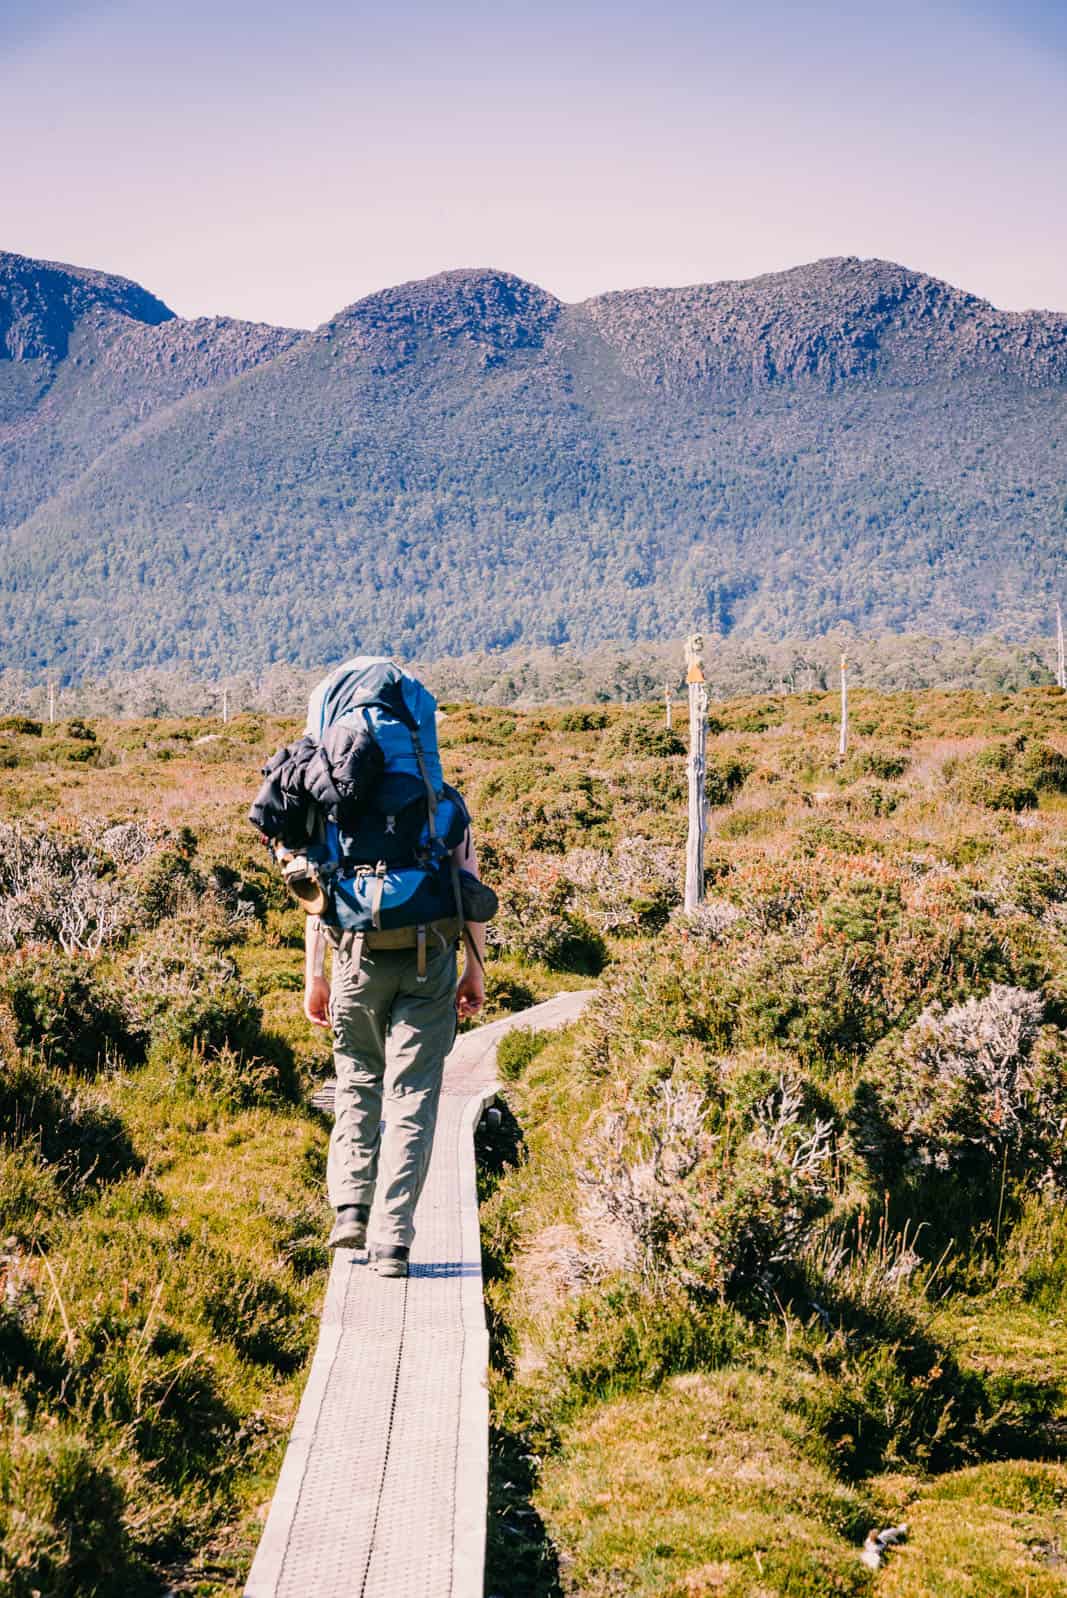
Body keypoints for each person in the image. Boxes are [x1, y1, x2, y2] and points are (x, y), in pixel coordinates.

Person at [302, 795, 486, 1279]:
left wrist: (313, 975)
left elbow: (314, 890)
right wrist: (475, 968)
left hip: (355, 958)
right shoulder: (443, 800)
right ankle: (393, 1241)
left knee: (358, 1077)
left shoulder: (335, 800)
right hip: (431, 960)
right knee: (413, 1096)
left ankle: (351, 1207)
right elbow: (469, 886)